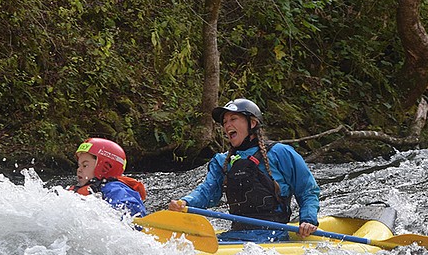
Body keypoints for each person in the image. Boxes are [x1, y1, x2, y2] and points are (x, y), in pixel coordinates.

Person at [168, 98, 320, 242]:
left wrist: (307, 219)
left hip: (273, 234)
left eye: (233, 119)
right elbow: (207, 192)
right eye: (225, 122)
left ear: (252, 123)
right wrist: (185, 202)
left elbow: (308, 190)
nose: (227, 126)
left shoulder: (281, 153)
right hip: (236, 234)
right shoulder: (222, 161)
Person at [69, 138, 147, 217]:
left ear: (105, 167)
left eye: (85, 165)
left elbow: (133, 212)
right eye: (79, 165)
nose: (79, 170)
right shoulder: (77, 190)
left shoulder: (113, 188)